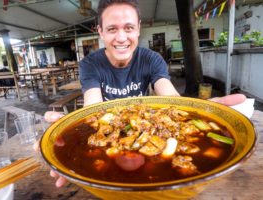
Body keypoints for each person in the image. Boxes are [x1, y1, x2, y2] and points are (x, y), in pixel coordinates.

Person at [42, 0, 246, 187]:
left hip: (148, 131)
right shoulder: (90, 63)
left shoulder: (151, 59)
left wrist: (200, 109)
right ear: (100, 32)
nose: (121, 38)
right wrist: (66, 127)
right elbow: (92, 106)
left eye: (128, 28)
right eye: (112, 29)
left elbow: (169, 97)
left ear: (138, 28)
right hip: (116, 138)